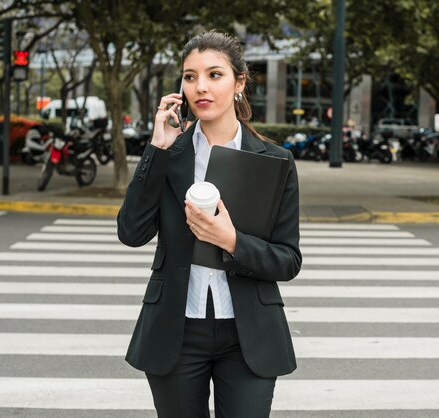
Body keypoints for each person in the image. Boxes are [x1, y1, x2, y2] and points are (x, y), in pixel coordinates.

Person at [117, 31, 302, 417]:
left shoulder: (275, 160)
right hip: (175, 331)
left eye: (214, 75)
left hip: (248, 334)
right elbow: (132, 232)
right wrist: (157, 149)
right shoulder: (171, 152)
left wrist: (232, 241)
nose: (200, 86)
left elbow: (287, 260)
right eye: (189, 76)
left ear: (239, 82)